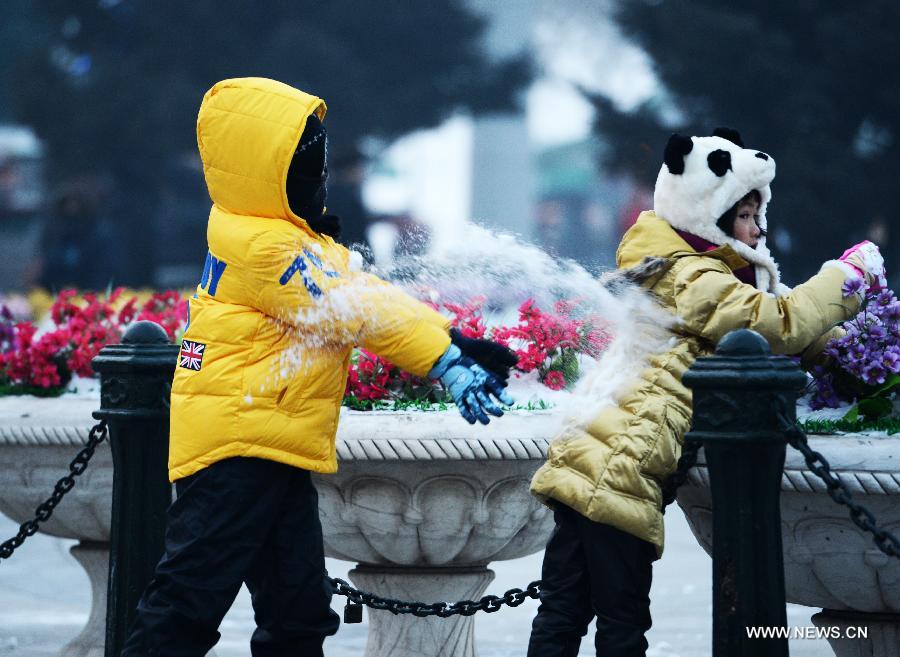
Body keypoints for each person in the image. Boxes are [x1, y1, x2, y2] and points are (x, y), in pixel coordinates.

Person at [120, 77, 516, 657]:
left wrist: (449, 339)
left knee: (299, 615)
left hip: (268, 441)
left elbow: (366, 294)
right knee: (185, 609)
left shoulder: (286, 238)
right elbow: (349, 310)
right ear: (265, 171)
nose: (321, 177)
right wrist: (444, 359)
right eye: (308, 165)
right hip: (237, 446)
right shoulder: (264, 246)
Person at [526, 129, 887, 657]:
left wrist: (853, 354)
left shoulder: (686, 267)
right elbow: (777, 324)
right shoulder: (692, 274)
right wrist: (848, 277)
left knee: (564, 609)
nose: (757, 228)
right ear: (707, 213)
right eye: (744, 215)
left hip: (590, 458)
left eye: (758, 215)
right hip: (621, 468)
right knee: (620, 621)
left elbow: (776, 328)